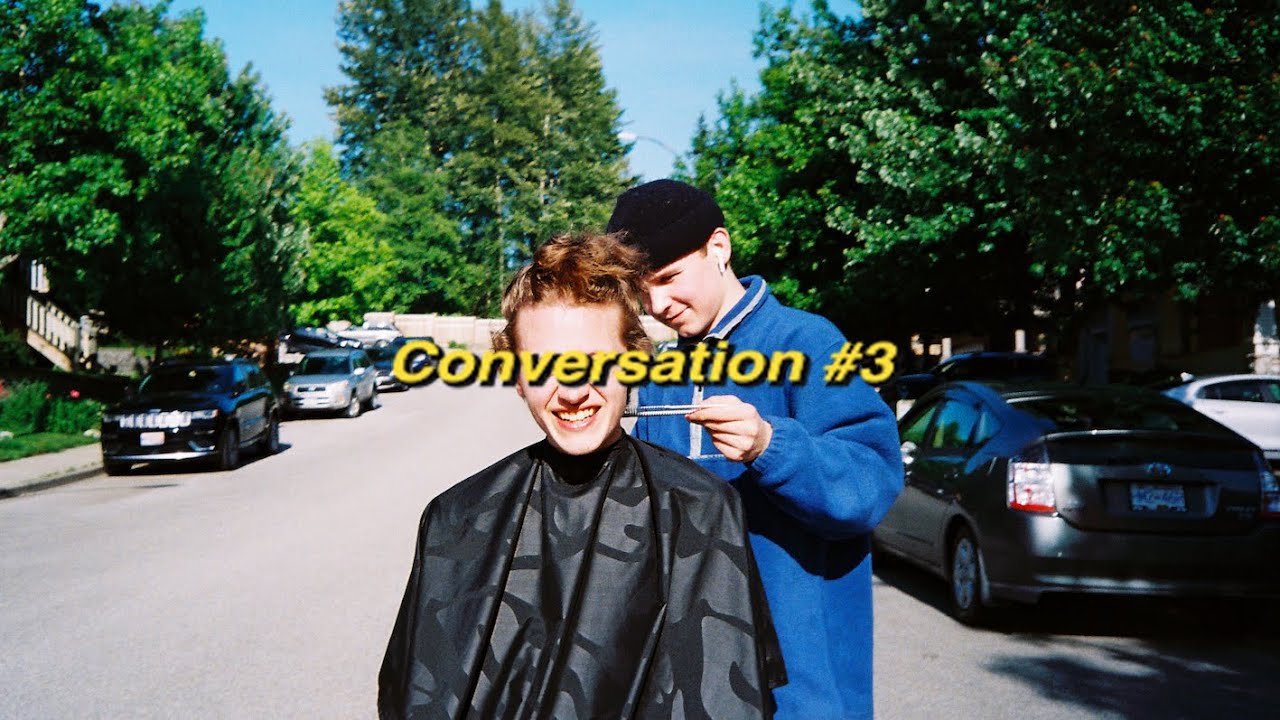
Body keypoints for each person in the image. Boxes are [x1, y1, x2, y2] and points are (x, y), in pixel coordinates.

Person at [377, 232, 785, 720]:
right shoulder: (457, 518)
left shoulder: (699, 510)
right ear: (517, 377)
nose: (573, 391)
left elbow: (727, 698)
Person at [606, 180, 904, 720]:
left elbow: (871, 484)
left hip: (800, 695)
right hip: (694, 684)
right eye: (641, 291)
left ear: (718, 248)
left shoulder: (809, 342)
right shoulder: (659, 373)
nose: (657, 305)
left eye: (669, 279)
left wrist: (771, 445)